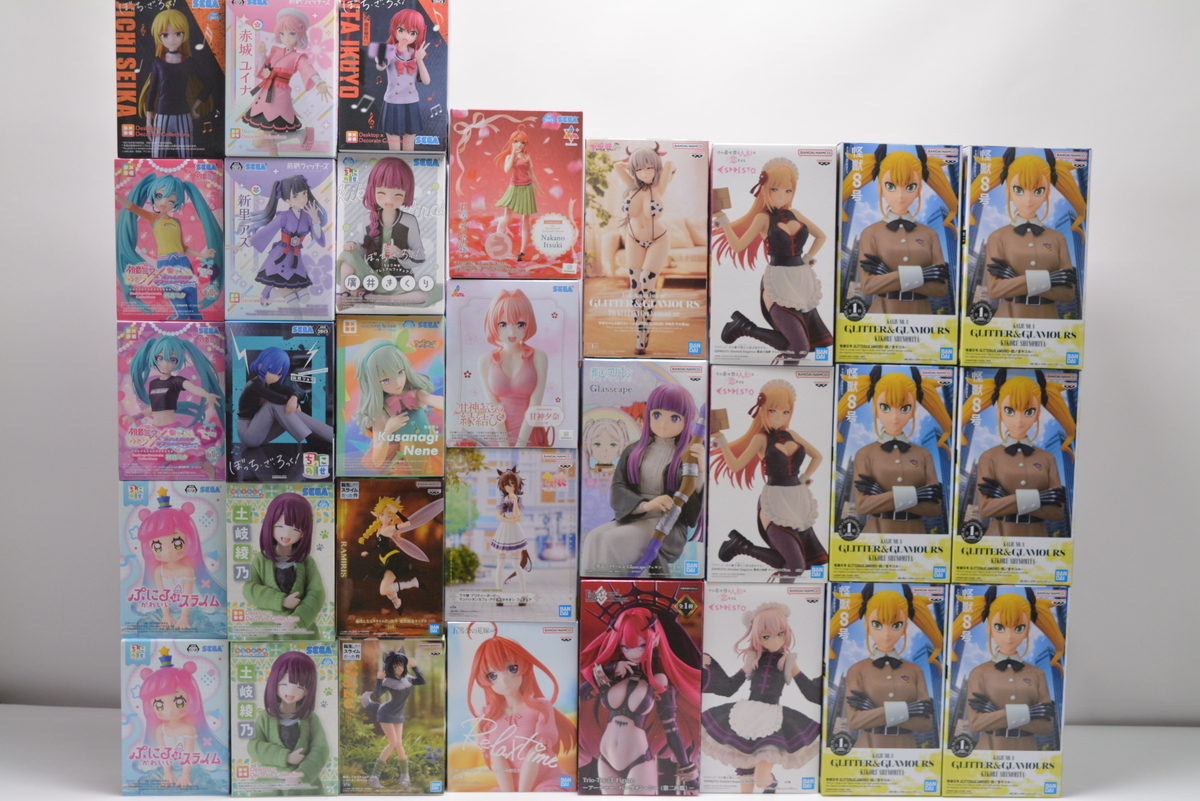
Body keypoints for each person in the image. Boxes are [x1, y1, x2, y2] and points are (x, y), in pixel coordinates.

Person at [713, 158, 832, 362]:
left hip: (801, 282)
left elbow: (821, 236)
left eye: (788, 190)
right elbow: (738, 246)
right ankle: (745, 328)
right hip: (777, 280)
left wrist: (808, 257)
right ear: (764, 189)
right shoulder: (763, 218)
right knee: (799, 349)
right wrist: (723, 220)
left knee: (800, 347)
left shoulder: (795, 214)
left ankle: (743, 327)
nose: (782, 196)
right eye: (775, 189)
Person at [580, 384, 704, 576]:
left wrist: (701, 471)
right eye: (657, 415)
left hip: (667, 525)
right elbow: (619, 487)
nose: (663, 424)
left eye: (674, 418)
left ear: (687, 421)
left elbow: (691, 512)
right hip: (636, 515)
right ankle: (595, 588)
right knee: (594, 537)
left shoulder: (687, 456)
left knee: (612, 540)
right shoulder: (634, 451)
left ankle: (618, 588)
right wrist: (645, 505)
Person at [711, 380, 828, 580]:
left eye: (786, 412)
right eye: (773, 411)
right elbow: (736, 466)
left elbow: (818, 456)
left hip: (798, 501)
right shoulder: (760, 439)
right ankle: (742, 547)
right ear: (762, 410)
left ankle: (741, 546)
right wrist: (722, 441)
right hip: (775, 500)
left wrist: (805, 477)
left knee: (798, 564)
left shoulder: (792, 434)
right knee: (795, 567)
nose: (780, 417)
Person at [579, 606, 701, 795]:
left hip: (639, 759)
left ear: (656, 640)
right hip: (606, 757)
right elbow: (582, 694)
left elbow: (671, 727)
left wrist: (687, 769)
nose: (634, 653)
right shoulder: (615, 674)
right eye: (625, 647)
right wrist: (610, 670)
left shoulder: (658, 680)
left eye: (642, 645)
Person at [701, 602, 821, 793]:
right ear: (757, 636)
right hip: (745, 716)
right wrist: (711, 666)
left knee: (761, 779)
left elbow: (809, 691)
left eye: (780, 633)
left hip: (772, 720)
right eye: (766, 636)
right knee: (745, 781)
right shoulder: (753, 658)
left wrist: (825, 675)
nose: (775, 640)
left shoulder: (788, 661)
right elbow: (729, 687)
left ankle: (771, 785)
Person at [968, 149, 1087, 319]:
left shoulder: (1058, 238)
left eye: (1038, 191)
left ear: (1047, 194)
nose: (1029, 200)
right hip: (1006, 319)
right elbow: (995, 290)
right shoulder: (997, 237)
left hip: (1048, 322)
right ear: (1008, 192)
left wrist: (1015, 279)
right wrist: (1050, 279)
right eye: (1019, 190)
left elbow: (1067, 293)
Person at [841, 146, 958, 314]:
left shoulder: (930, 234)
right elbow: (868, 286)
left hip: (922, 316)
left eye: (910, 187)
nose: (901, 196)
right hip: (880, 315)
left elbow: (940, 289)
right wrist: (922, 274)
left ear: (919, 190)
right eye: (891, 186)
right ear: (880, 188)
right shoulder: (870, 233)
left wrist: (888, 275)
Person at [836, 367, 952, 534]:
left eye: (904, 408)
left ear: (913, 411)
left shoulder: (923, 454)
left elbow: (934, 509)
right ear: (875, 409)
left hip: (916, 535)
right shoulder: (865, 453)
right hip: (875, 533)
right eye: (885, 407)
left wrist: (882, 496)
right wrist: (916, 494)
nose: (895, 417)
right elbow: (863, 506)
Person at [827, 585, 942, 749]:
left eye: (896, 625)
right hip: (866, 748)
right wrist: (907, 709)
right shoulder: (857, 670)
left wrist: (874, 711)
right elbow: (854, 721)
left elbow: (925, 724)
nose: (887, 634)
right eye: (877, 624)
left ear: (904, 628)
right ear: (867, 626)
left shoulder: (915, 671)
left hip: (907, 750)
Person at [950, 587, 1065, 751]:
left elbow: (1046, 726)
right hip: (987, 749)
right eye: (1000, 627)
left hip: (1027, 752)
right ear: (989, 629)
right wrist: (1029, 713)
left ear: (1027, 631)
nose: (1009, 637)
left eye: (1018, 628)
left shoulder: (1037, 674)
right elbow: (975, 723)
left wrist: (995, 713)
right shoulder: (978, 672)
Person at [963, 370, 1075, 537]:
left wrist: (1005, 498)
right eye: (1010, 411)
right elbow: (986, 509)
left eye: (1029, 412)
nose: (1019, 420)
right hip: (996, 537)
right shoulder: (988, 457)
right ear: (999, 412)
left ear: (1037, 414)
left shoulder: (1048, 458)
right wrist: (1040, 498)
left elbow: (1057, 512)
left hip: (1038, 539)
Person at [467, 633, 576, 791]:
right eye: (493, 675)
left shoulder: (540, 707)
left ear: (523, 667)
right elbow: (497, 757)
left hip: (548, 782)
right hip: (512, 788)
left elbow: (536, 752)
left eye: (512, 668)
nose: (504, 681)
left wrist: (522, 795)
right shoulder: (489, 715)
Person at [614, 146, 676, 355]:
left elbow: (670, 164)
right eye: (639, 169)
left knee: (647, 283)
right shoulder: (631, 186)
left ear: (656, 168)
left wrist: (654, 161)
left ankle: (645, 331)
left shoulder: (659, 186)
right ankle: (639, 333)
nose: (644, 173)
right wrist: (634, 162)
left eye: (649, 168)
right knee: (635, 288)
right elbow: (617, 166)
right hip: (633, 239)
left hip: (658, 239)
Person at [135, 647, 224, 790]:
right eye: (159, 705)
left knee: (204, 781)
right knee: (147, 781)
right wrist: (167, 773)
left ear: (191, 700)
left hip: (190, 766)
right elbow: (163, 753)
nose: (170, 711)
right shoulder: (160, 729)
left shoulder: (189, 729)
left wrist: (185, 775)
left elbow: (189, 753)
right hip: (167, 767)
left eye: (179, 702)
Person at [244, 492, 326, 636]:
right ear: (270, 524)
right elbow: (249, 588)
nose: (287, 534)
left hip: (300, 633)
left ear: (303, 533)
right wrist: (280, 600)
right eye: (280, 526)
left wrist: (297, 619)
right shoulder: (260, 559)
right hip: (266, 628)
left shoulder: (307, 561)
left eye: (296, 529)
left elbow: (317, 593)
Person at [249, 651, 329, 794]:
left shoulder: (311, 718)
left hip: (305, 788)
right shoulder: (265, 717)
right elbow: (254, 746)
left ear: (308, 691)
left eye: (300, 687)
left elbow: (320, 749)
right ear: (274, 683)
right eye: (284, 684)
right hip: (271, 784)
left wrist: (300, 774)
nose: (291, 691)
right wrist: (285, 756)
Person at [478, 289, 550, 446]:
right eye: (503, 324)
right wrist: (504, 444)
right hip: (496, 436)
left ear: (528, 324)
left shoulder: (538, 357)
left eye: (520, 324)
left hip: (529, 435)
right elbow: (492, 405)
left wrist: (520, 444)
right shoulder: (485, 360)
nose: (511, 331)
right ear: (494, 324)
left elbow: (535, 404)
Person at [237, 347, 333, 449]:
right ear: (260, 366)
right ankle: (311, 439)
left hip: (262, 432)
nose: (276, 377)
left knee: (288, 409)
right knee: (274, 405)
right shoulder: (252, 386)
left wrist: (294, 398)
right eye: (271, 371)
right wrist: (294, 403)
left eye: (279, 374)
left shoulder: (269, 384)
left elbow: (288, 390)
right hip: (248, 434)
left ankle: (331, 436)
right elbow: (278, 399)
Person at [360, 649, 426, 788]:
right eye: (396, 666)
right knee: (393, 743)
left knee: (399, 744)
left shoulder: (408, 678)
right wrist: (379, 680)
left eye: (401, 665)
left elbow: (422, 681)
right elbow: (378, 694)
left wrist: (415, 667)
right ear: (390, 667)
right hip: (386, 713)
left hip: (398, 713)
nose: (399, 668)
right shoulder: (388, 681)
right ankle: (374, 777)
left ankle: (405, 776)